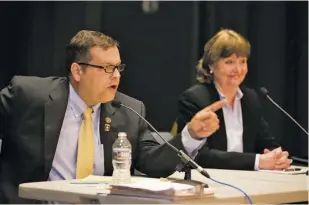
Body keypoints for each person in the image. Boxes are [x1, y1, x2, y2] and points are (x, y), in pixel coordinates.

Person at [0, 30, 225, 203]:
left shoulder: (128, 110)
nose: (116, 76)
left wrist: (192, 134)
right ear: (78, 71)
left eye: (118, 68)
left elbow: (154, 163)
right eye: (106, 68)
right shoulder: (29, 96)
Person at [172, 29, 291, 171]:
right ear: (211, 65)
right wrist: (257, 161)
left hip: (249, 180)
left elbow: (266, 142)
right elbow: (199, 155)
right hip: (213, 180)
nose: (238, 69)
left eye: (243, 61)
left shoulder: (250, 98)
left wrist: (277, 156)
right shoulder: (194, 99)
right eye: (229, 62)